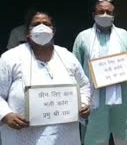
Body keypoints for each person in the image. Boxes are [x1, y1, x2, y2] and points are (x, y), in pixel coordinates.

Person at [0, 10, 91, 145]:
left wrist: (83, 104)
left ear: (53, 30)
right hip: (24, 136)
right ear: (27, 32)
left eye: (46, 24)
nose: (41, 27)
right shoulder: (10, 58)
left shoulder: (67, 56)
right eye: (36, 24)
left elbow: (84, 84)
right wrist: (6, 115)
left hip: (64, 137)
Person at [72, 0, 127, 145]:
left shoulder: (124, 35)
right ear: (93, 14)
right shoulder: (83, 37)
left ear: (114, 15)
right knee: (95, 141)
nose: (105, 15)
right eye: (101, 11)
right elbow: (75, 71)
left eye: (108, 12)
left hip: (123, 99)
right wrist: (80, 100)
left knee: (124, 139)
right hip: (94, 101)